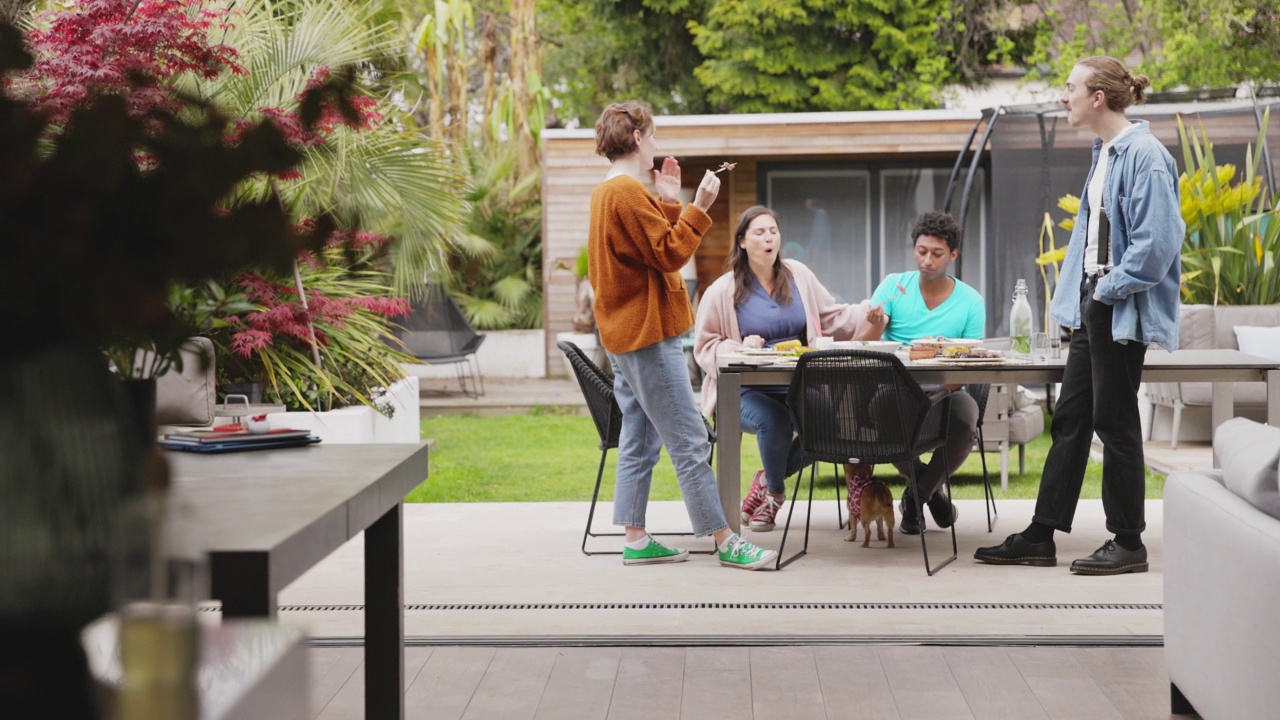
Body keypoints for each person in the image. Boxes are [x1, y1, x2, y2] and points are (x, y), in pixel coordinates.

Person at [975, 56, 1183, 574]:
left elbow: (1156, 246)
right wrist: (1082, 300)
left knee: (1115, 423)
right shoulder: (1106, 153)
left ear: (1098, 97)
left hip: (1117, 304)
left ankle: (1129, 542)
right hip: (1098, 303)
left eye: (1070, 88)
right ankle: (1042, 534)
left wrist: (1105, 291)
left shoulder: (1146, 156)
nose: (1062, 96)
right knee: (1070, 418)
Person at [588, 101, 776, 570]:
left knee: (639, 436)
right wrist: (699, 208)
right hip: (648, 336)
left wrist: (670, 200)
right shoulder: (627, 193)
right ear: (636, 138)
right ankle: (724, 540)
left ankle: (635, 537)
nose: (656, 143)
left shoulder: (608, 192)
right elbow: (671, 253)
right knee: (691, 438)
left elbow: (649, 250)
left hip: (625, 336)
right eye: (652, 135)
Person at [694, 206, 887, 531]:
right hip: (743, 390)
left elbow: (833, 316)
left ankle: (765, 479)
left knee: (828, 426)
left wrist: (870, 313)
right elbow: (705, 346)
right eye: (759, 232)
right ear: (742, 241)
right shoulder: (722, 291)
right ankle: (775, 495)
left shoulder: (798, 275)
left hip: (796, 386)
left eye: (773, 231)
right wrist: (741, 347)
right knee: (775, 421)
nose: (769, 238)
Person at [868, 211, 983, 535]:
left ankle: (916, 497)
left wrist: (941, 391)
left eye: (936, 254)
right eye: (921, 251)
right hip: (896, 389)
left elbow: (971, 363)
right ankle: (930, 493)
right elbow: (863, 346)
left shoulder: (971, 302)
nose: (927, 260)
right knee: (880, 409)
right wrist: (874, 326)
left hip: (947, 391)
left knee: (965, 417)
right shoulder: (893, 287)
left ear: (953, 256)